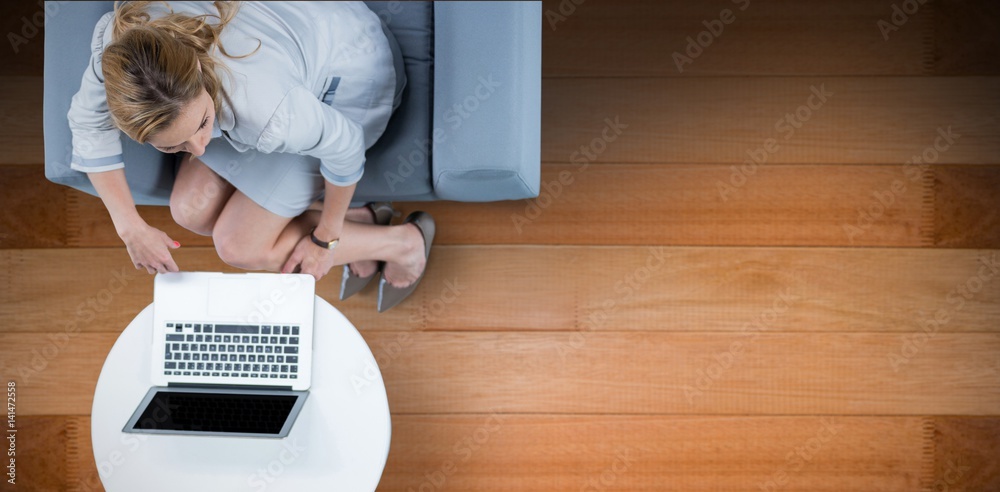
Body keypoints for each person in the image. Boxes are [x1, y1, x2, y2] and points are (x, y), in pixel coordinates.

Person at [68, 1, 434, 312]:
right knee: (188, 209)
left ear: (196, 70)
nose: (199, 149)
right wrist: (130, 228)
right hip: (288, 49)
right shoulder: (123, 49)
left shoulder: (269, 110)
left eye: (203, 124)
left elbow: (346, 147)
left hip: (352, 81)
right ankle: (363, 219)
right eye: (173, 146)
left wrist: (326, 240)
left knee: (238, 245)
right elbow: (88, 127)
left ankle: (403, 242)